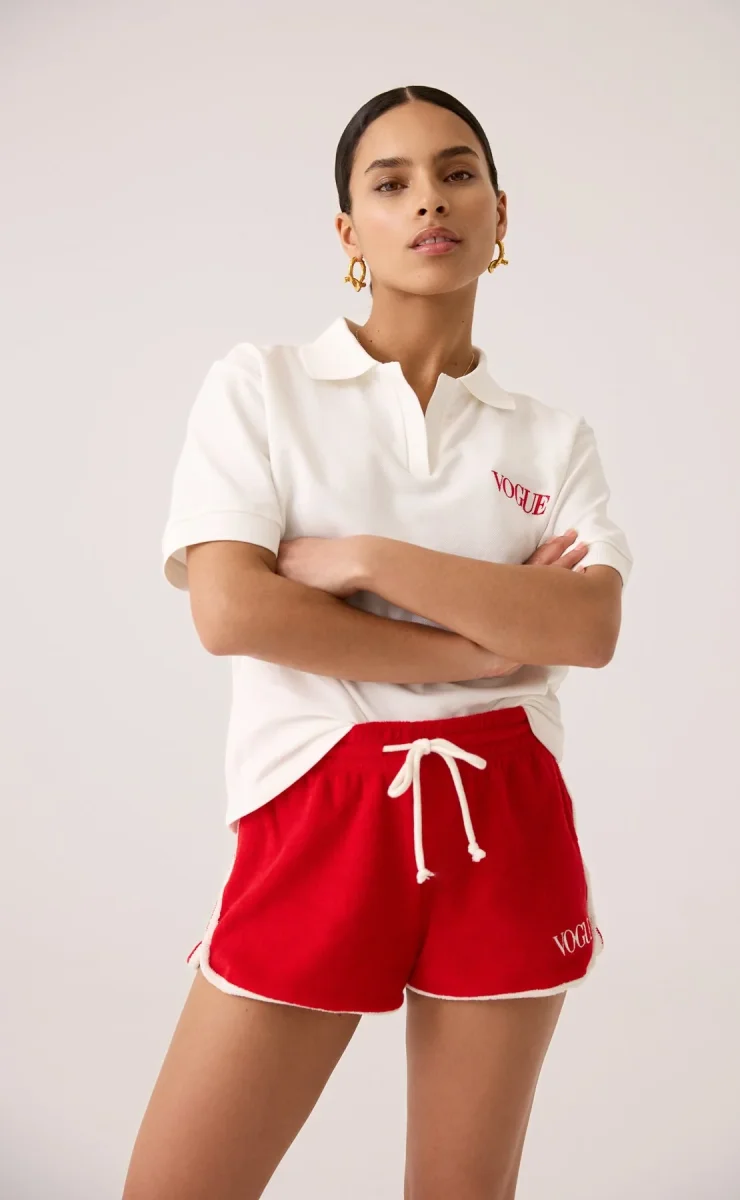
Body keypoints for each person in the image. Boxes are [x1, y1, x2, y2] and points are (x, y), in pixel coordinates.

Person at [122, 84, 633, 1200]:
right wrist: (482, 646)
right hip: (318, 810)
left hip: (505, 817)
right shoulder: (262, 387)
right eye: (390, 184)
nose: (429, 201)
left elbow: (587, 626)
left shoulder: (550, 440)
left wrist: (368, 561)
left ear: (500, 212)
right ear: (349, 231)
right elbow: (234, 612)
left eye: (457, 174)